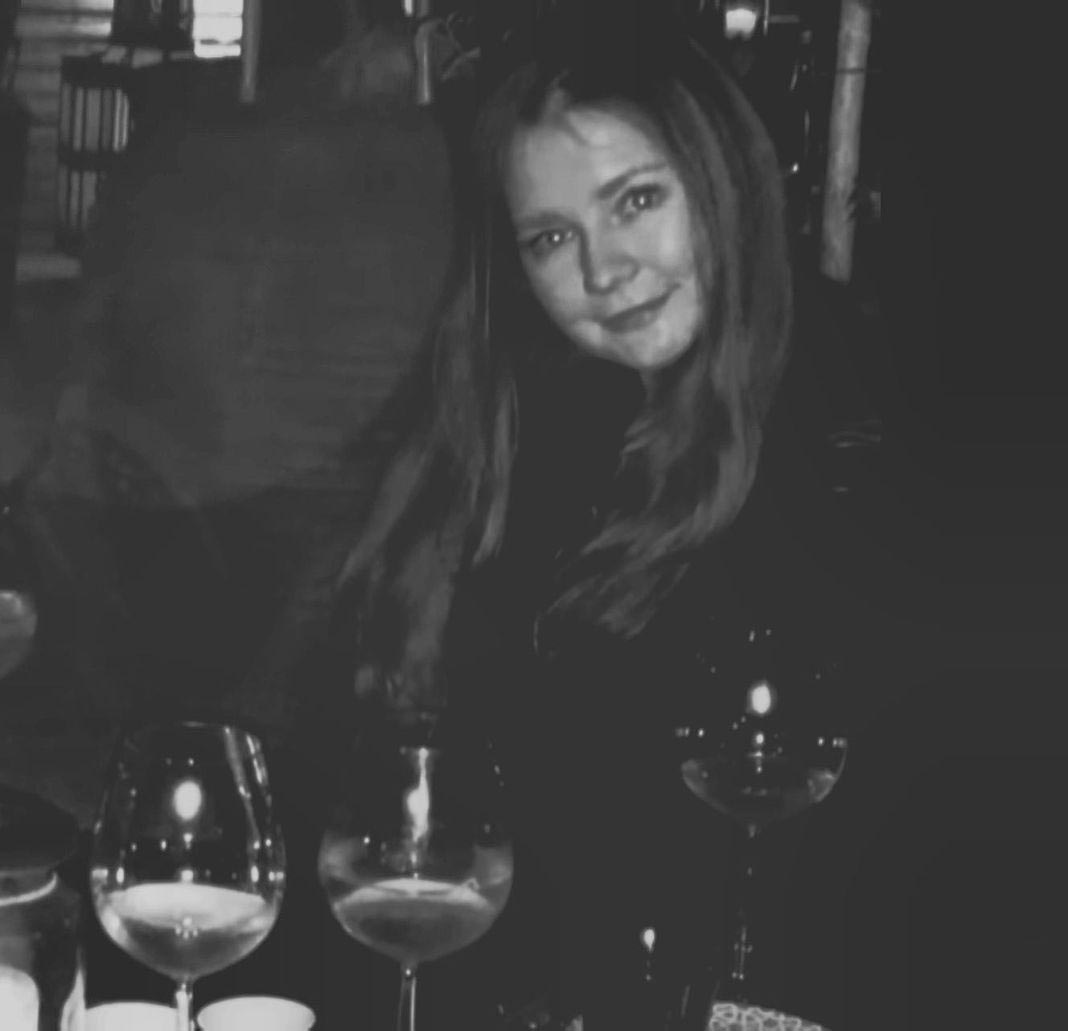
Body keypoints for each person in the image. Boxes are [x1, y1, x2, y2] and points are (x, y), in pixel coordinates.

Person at [299, 8, 872, 1029]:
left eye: (638, 200)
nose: (604, 272)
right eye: (553, 237)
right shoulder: (510, 431)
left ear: (726, 183)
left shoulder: (852, 436)